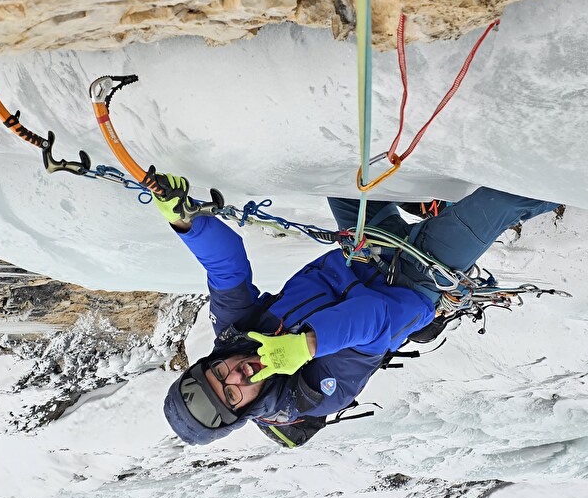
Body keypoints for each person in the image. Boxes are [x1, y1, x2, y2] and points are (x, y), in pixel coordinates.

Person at [156, 172, 560, 448]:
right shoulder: (312, 395)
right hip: (418, 280)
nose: (235, 375)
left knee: (341, 170)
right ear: (243, 411)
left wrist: (186, 223)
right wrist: (308, 346)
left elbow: (226, 270)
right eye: (232, 394)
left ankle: (430, 197)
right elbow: (377, 318)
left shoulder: (235, 333)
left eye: (218, 372)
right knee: (504, 200)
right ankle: (583, 182)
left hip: (365, 252)